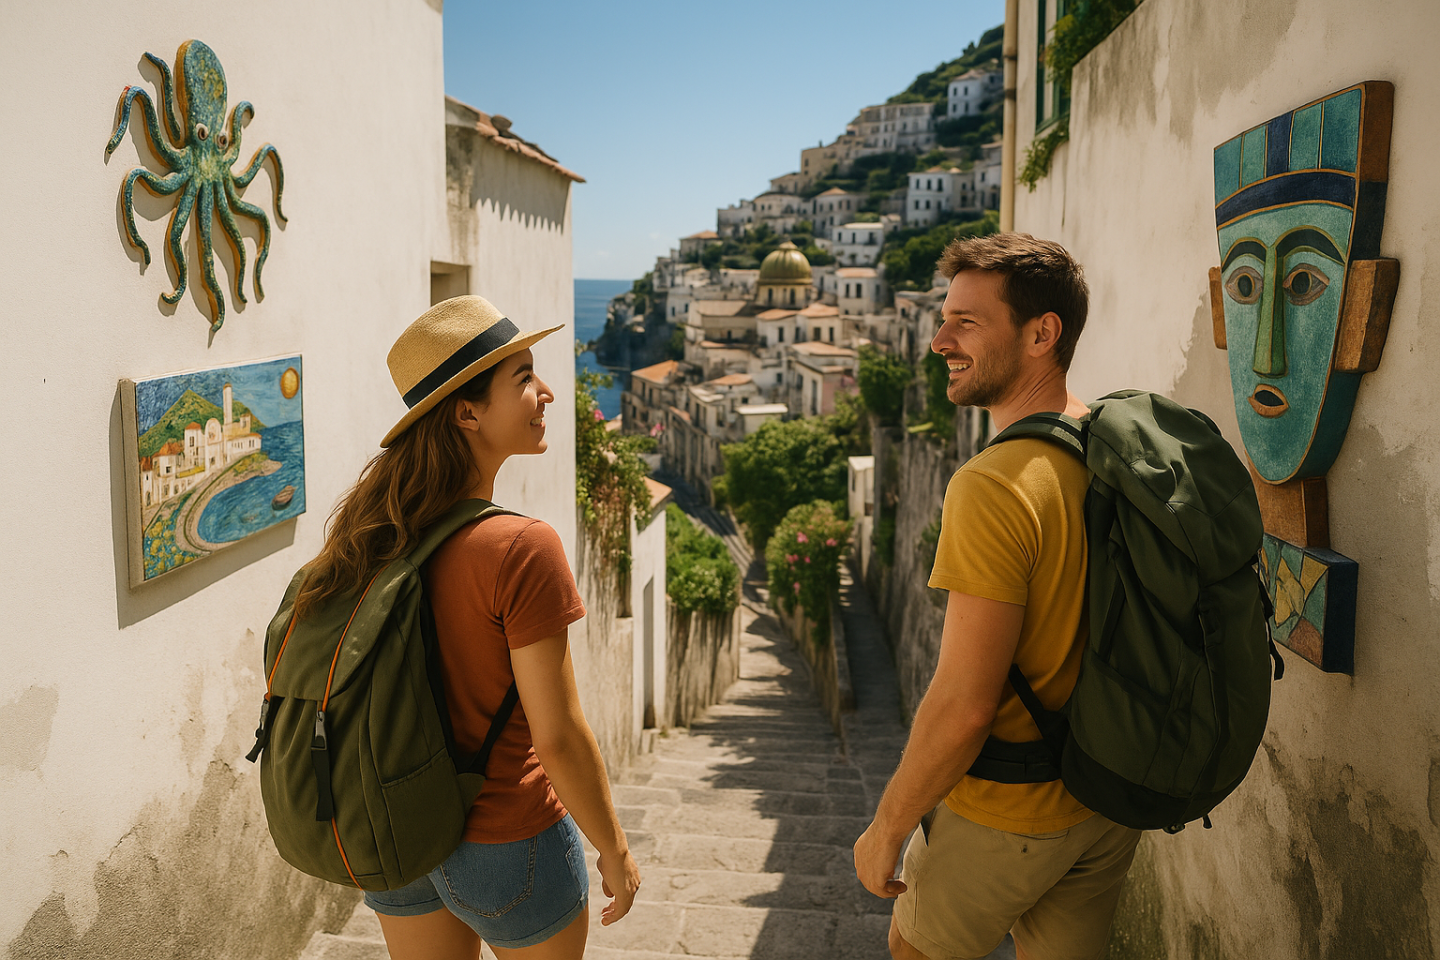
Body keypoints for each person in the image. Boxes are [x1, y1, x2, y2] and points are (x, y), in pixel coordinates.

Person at [293, 296, 641, 959]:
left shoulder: (370, 533)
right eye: (524, 379)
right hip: (506, 843)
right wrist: (615, 850)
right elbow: (560, 734)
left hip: (393, 832)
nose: (546, 394)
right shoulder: (521, 547)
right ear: (466, 411)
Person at [853, 235, 1141, 960]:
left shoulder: (992, 484)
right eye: (942, 318)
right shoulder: (1110, 449)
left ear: (1044, 333)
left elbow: (965, 702)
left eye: (967, 322)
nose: (939, 342)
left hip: (1010, 809)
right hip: (1107, 796)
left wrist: (887, 827)